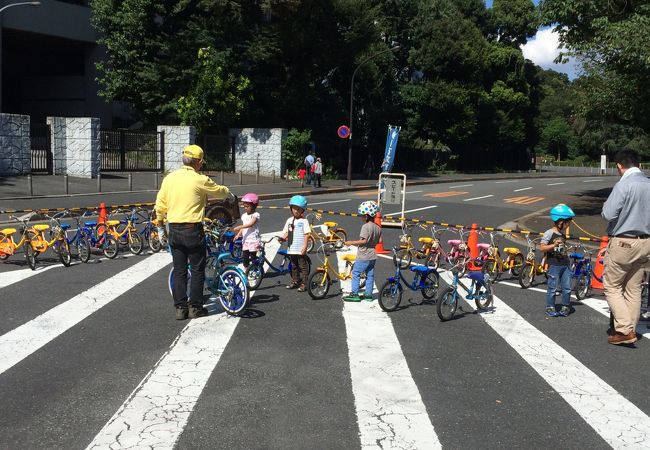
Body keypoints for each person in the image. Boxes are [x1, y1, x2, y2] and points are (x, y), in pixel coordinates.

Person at [155, 144, 230, 320]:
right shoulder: (199, 179)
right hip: (192, 230)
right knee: (197, 269)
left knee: (180, 270)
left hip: (173, 228)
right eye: (201, 162)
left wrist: (160, 226)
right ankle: (195, 307)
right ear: (197, 162)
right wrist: (229, 193)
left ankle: (180, 309)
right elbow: (219, 192)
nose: (201, 165)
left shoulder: (169, 178)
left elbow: (160, 205)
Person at [602, 149, 650, 345]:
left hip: (623, 241)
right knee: (634, 288)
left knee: (612, 286)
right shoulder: (648, 183)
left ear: (620, 166)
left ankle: (623, 329)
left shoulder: (624, 185)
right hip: (646, 241)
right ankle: (630, 329)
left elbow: (608, 214)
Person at [539, 204, 575, 317]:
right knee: (552, 288)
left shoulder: (562, 235)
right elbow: (542, 247)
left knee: (567, 288)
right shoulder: (549, 233)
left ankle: (565, 307)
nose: (568, 225)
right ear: (560, 221)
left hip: (565, 265)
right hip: (554, 265)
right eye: (567, 222)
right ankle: (550, 307)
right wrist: (553, 245)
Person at [343, 201, 382, 302]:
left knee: (355, 273)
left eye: (363, 215)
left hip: (363, 255)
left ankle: (354, 294)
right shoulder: (378, 228)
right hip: (373, 255)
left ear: (367, 216)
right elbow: (379, 241)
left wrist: (351, 242)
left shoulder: (365, 227)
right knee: (370, 274)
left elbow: (363, 241)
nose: (361, 217)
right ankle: (368, 295)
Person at [281, 195, 311, 292]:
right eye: (294, 208)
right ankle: (295, 281)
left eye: (299, 209)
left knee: (303, 266)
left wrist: (305, 246)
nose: (296, 211)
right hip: (292, 248)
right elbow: (288, 232)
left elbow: (306, 234)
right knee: (294, 266)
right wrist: (282, 238)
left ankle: (305, 283)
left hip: (300, 248)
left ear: (302, 210)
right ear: (291, 208)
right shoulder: (290, 220)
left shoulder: (304, 221)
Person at [233, 193, 260, 272]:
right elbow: (244, 226)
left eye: (247, 206)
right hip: (245, 240)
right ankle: (246, 270)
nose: (245, 208)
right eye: (244, 206)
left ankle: (255, 270)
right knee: (245, 257)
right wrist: (238, 234)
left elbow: (250, 224)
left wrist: (240, 227)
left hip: (253, 240)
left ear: (254, 206)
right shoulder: (244, 215)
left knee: (253, 257)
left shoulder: (256, 215)